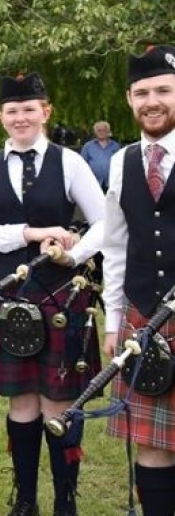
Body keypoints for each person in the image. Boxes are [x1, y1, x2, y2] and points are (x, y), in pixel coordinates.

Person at [0, 73, 105, 516]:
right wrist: (32, 232)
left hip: (61, 296)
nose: (21, 117)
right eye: (12, 111)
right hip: (8, 296)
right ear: (1, 117)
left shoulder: (69, 162)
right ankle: (25, 501)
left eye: (29, 109)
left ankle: (66, 504)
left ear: (45, 112)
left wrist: (75, 253)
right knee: (22, 400)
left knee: (58, 404)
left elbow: (104, 221)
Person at [102, 44, 175, 516]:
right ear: (130, 99)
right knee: (152, 446)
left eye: (164, 91)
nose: (153, 100)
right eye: (142, 91)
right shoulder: (120, 161)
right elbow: (115, 246)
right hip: (140, 314)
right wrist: (113, 320)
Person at [80, 120, 120, 192]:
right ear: (95, 132)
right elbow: (82, 164)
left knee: (111, 203)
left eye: (104, 130)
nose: (101, 132)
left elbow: (120, 164)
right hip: (93, 183)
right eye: (99, 130)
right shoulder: (88, 146)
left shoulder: (115, 146)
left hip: (111, 183)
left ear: (108, 131)